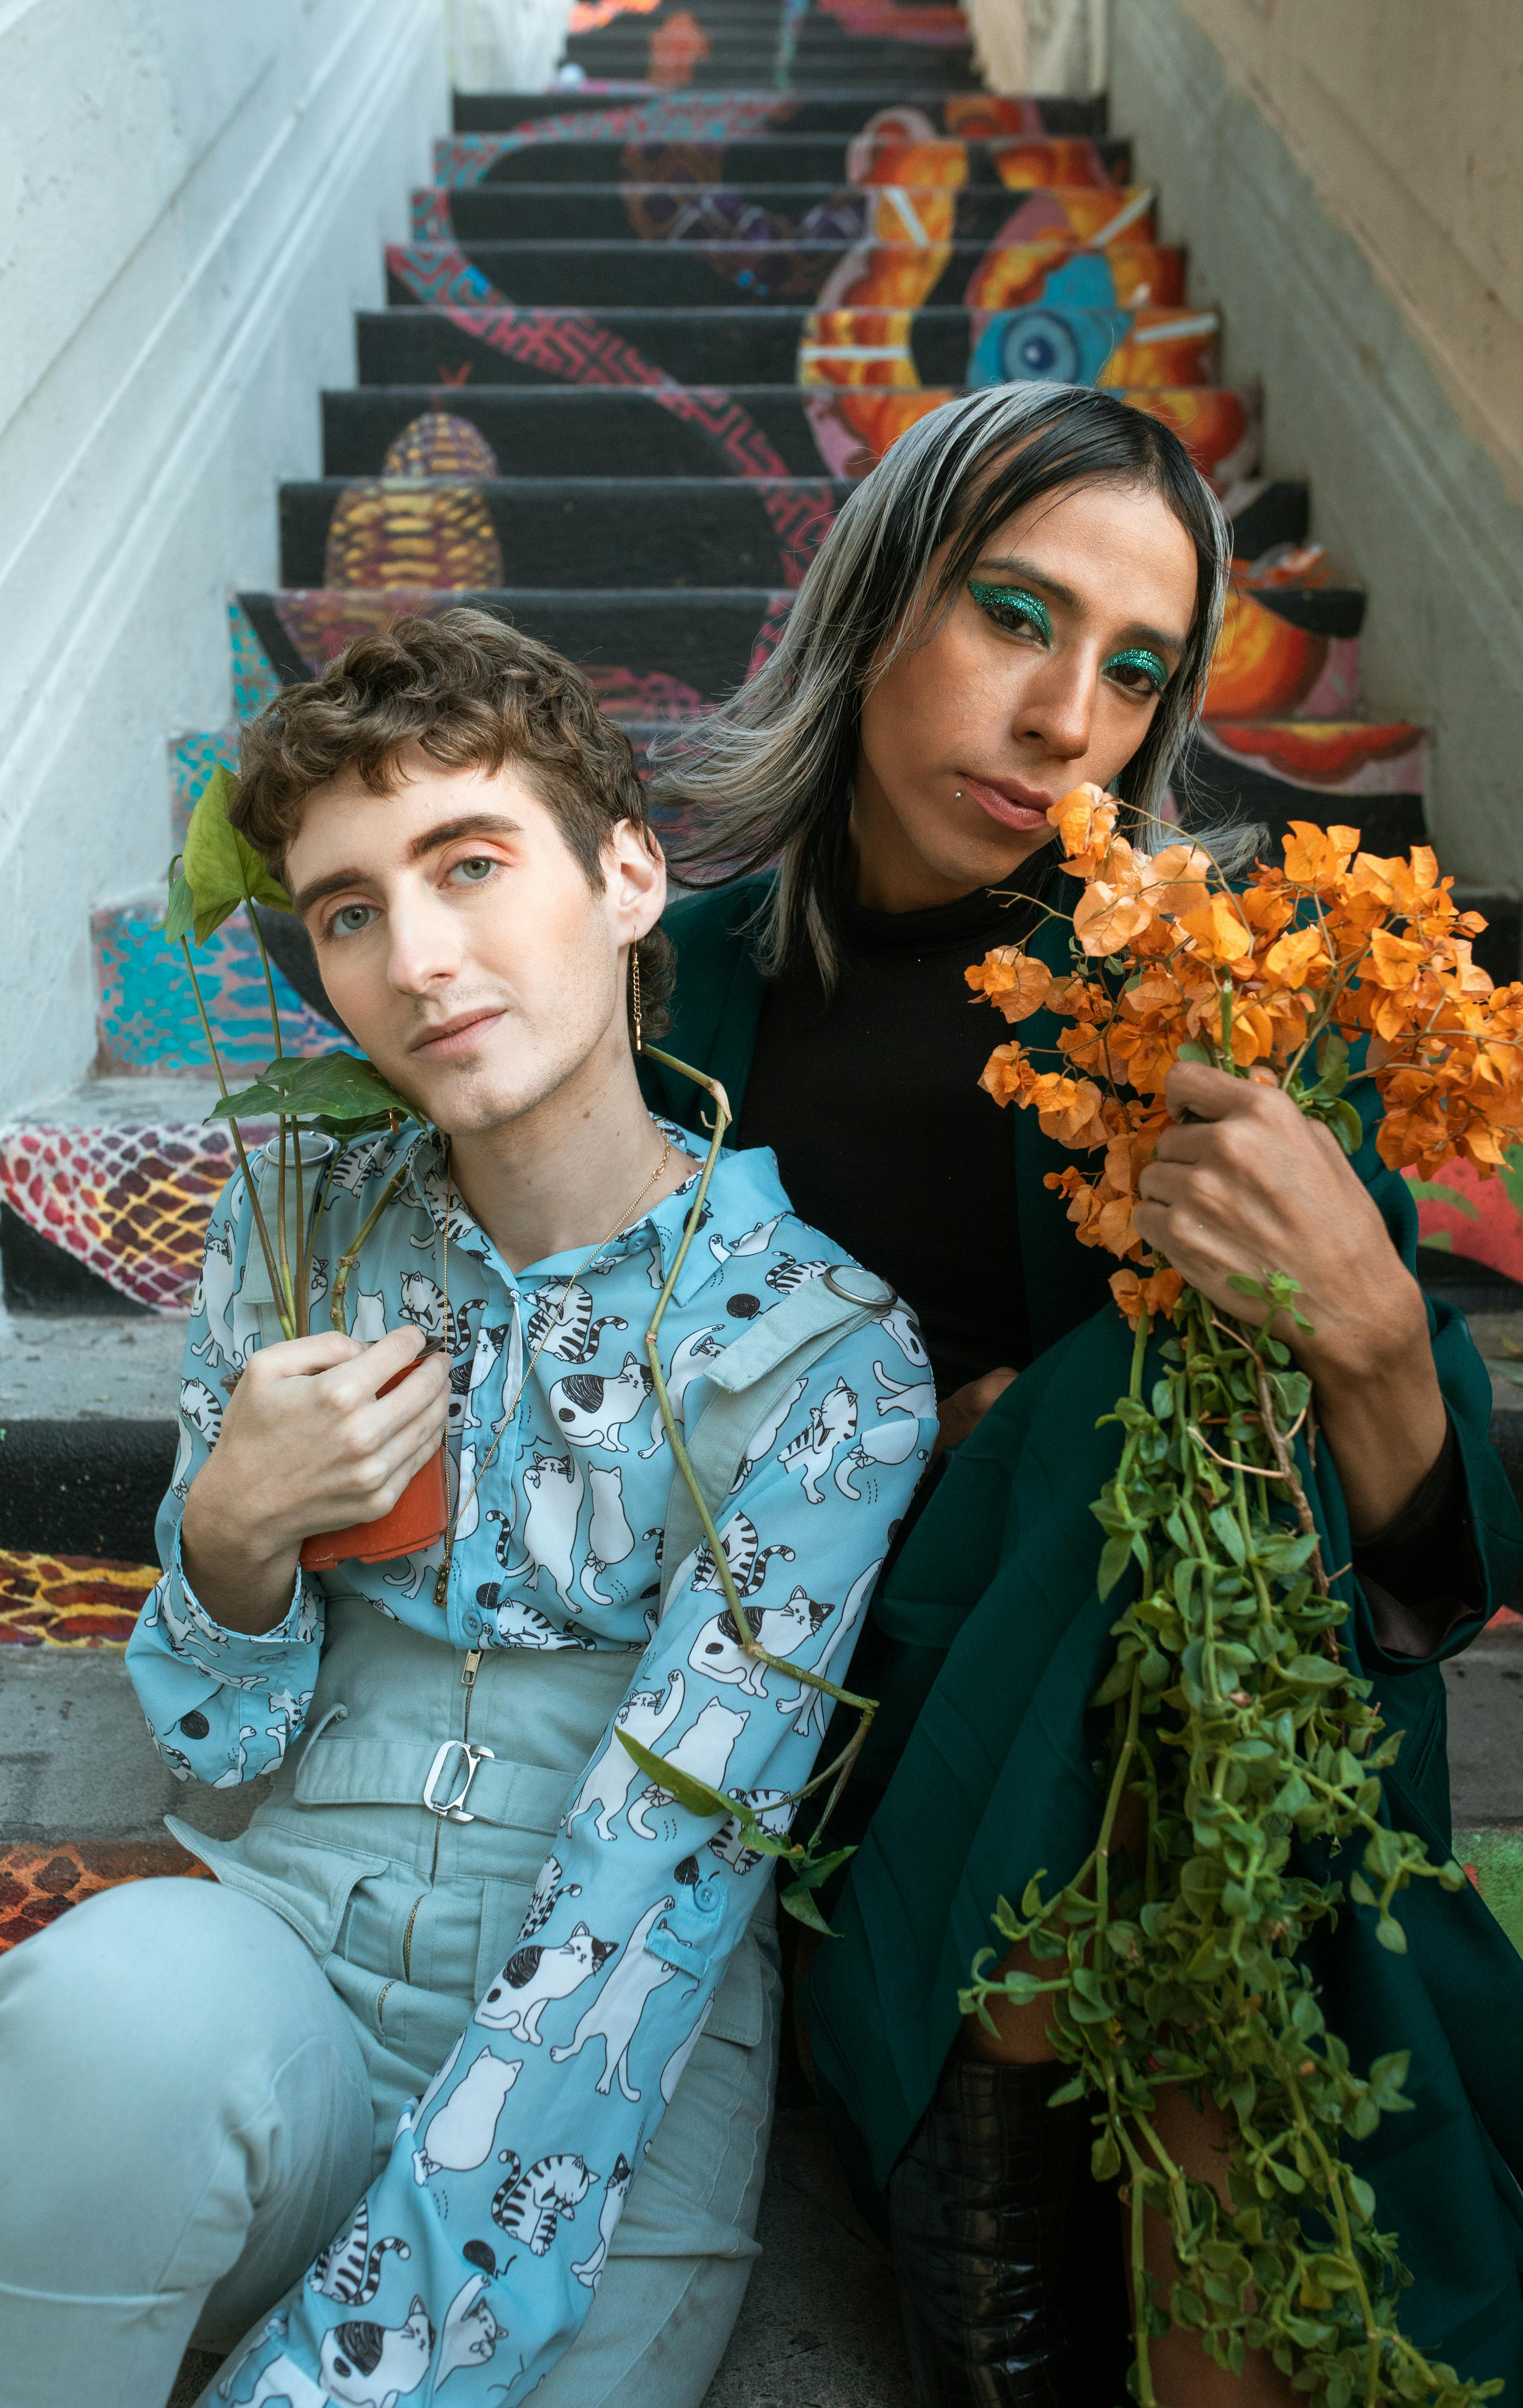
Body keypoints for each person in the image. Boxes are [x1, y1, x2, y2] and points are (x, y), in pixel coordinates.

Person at [638, 385, 1523, 2402]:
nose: (1072, 715)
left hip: (1192, 1710)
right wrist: (918, 1442)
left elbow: (1425, 1581)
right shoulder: (655, 1001)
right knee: (1087, 1420)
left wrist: (1357, 1323)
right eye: (1014, 614)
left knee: (1097, 1420)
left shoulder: (1196, 989)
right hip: (826, 1724)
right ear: (876, 596)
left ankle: (1007, 2261)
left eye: (1138, 668)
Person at [0, 611, 937, 2408]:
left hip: (610, 2098)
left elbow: (658, 1895)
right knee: (109, 2018)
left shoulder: (823, 1357)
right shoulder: (299, 1229)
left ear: (632, 877)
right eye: (350, 908)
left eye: (474, 862)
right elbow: (217, 1730)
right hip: (279, 1972)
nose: (420, 956)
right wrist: (233, 1539)